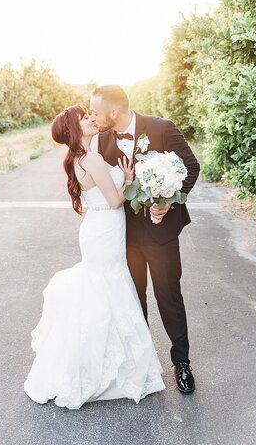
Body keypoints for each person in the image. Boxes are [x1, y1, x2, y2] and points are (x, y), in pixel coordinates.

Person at [23, 105, 165, 410]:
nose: (90, 118)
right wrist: (127, 180)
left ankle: (101, 360)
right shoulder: (93, 159)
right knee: (107, 286)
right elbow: (115, 201)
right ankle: (104, 368)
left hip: (97, 228)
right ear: (75, 129)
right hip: (106, 228)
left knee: (100, 287)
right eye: (84, 117)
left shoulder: (77, 158)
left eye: (89, 114)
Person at [90, 85, 200, 394]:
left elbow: (191, 168)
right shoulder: (100, 140)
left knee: (169, 297)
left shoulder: (162, 128)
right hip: (124, 235)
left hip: (162, 233)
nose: (93, 118)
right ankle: (142, 364)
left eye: (97, 112)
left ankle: (182, 363)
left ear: (114, 112)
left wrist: (168, 201)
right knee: (133, 299)